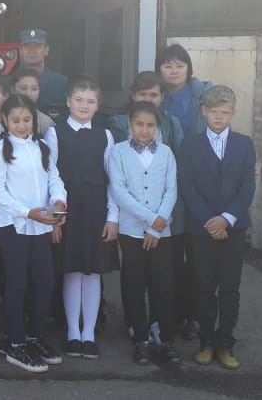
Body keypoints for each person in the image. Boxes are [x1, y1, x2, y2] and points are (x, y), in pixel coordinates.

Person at [108, 71, 191, 342]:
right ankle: (138, 331)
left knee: (162, 282)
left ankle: (162, 331)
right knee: (134, 280)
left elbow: (171, 189)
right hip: (131, 228)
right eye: (139, 124)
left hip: (161, 228)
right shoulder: (119, 152)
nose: (144, 129)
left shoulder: (166, 153)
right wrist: (148, 218)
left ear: (158, 127)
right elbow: (119, 190)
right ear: (129, 124)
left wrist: (158, 223)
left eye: (150, 125)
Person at [0, 94, 67, 373]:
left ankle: (34, 336)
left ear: (34, 119)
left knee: (44, 282)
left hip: (40, 225)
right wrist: (26, 212)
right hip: (13, 226)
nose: (21, 125)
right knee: (17, 284)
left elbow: (54, 178)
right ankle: (15, 343)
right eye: (15, 120)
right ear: (5, 120)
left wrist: (59, 202)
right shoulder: (0, 149)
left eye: (26, 119)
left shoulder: (42, 147)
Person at [178, 86, 256, 370]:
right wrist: (210, 221)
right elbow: (187, 186)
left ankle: (226, 342)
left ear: (233, 113)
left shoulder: (244, 144)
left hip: (233, 227)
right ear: (204, 112)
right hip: (201, 228)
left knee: (229, 287)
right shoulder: (190, 144)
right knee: (203, 284)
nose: (219, 117)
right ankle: (206, 341)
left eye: (225, 112)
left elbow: (248, 185)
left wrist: (227, 218)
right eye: (213, 112)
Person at [53, 77, 119, 360]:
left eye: (90, 101)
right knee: (71, 270)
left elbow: (113, 180)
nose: (84, 105)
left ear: (98, 106)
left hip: (96, 210)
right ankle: (72, 333)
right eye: (79, 100)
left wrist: (112, 216)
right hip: (69, 211)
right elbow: (50, 176)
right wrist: (55, 216)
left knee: (92, 272)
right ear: (68, 101)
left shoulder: (106, 136)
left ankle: (89, 333)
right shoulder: (55, 133)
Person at [156, 44, 210, 340]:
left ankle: (197, 316)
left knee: (199, 255)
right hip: (168, 184)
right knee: (173, 255)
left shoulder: (202, 96)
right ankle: (174, 314)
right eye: (167, 65)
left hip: (198, 181)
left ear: (188, 68)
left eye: (179, 64)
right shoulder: (156, 98)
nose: (173, 70)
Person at [157, 43, 213, 137]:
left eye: (180, 66)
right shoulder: (152, 96)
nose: (174, 71)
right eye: (168, 67)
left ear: (188, 69)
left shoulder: (205, 96)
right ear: (159, 70)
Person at [17, 29, 67, 107]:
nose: (32, 50)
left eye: (37, 46)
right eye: (27, 46)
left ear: (46, 50)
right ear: (21, 51)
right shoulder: (12, 82)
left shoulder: (62, 84)